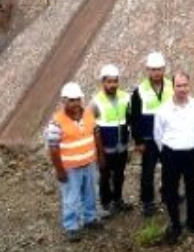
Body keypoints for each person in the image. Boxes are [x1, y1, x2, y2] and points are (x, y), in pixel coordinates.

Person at [45, 82, 105, 242]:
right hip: (70, 168)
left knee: (90, 193)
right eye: (71, 100)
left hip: (89, 163)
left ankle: (90, 219)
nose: (75, 103)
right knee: (71, 197)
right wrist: (59, 170)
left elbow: (96, 135)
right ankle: (71, 226)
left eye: (77, 99)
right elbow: (53, 149)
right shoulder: (56, 122)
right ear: (64, 101)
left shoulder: (88, 114)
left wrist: (100, 156)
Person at [153, 72, 194, 244]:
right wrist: (167, 150)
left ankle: (193, 221)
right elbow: (158, 134)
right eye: (179, 85)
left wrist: (192, 142)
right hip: (171, 154)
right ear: (173, 86)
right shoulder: (163, 110)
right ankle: (175, 225)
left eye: (185, 85)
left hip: (192, 152)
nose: (182, 89)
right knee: (171, 191)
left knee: (192, 188)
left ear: (189, 85)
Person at [128, 51, 172, 216]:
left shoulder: (171, 86)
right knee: (148, 172)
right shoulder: (139, 91)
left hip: (168, 137)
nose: (156, 73)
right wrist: (138, 141)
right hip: (149, 139)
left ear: (164, 69)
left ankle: (168, 194)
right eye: (153, 69)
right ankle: (147, 202)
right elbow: (134, 118)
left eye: (159, 69)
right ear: (148, 70)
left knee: (170, 169)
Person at [90, 64, 131, 216]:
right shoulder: (96, 102)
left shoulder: (126, 97)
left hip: (122, 146)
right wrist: (98, 153)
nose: (113, 85)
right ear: (103, 82)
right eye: (109, 82)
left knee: (120, 174)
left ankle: (118, 199)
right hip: (105, 149)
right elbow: (91, 127)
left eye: (115, 81)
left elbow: (130, 119)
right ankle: (106, 203)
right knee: (105, 177)